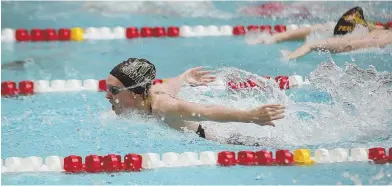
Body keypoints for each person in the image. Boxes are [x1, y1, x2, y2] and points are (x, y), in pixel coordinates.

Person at [105, 58, 286, 145]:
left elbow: (207, 110)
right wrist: (184, 78)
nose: (107, 96)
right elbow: (170, 85)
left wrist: (250, 116)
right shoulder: (149, 94)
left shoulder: (164, 107)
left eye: (113, 91)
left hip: (221, 138)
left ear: (136, 93)